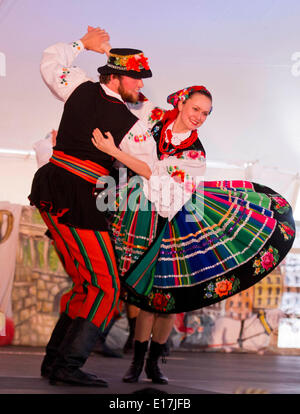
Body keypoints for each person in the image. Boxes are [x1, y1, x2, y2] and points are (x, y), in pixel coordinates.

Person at [91, 84, 296, 384]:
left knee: (168, 299)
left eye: (205, 113)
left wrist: (113, 151)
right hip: (141, 215)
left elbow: (154, 174)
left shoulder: (195, 155)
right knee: (145, 295)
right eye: (196, 109)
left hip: (177, 219)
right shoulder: (155, 121)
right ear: (183, 104)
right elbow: (133, 116)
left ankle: (155, 362)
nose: (199, 117)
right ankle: (136, 362)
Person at [28, 27, 153, 387]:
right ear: (114, 76)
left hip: (56, 188)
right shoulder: (131, 126)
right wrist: (84, 43)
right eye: (135, 77)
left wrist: (81, 46)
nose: (139, 84)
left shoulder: (79, 87)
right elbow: (149, 171)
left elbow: (52, 61)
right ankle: (67, 365)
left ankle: (55, 362)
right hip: (79, 199)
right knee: (106, 287)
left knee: (87, 282)